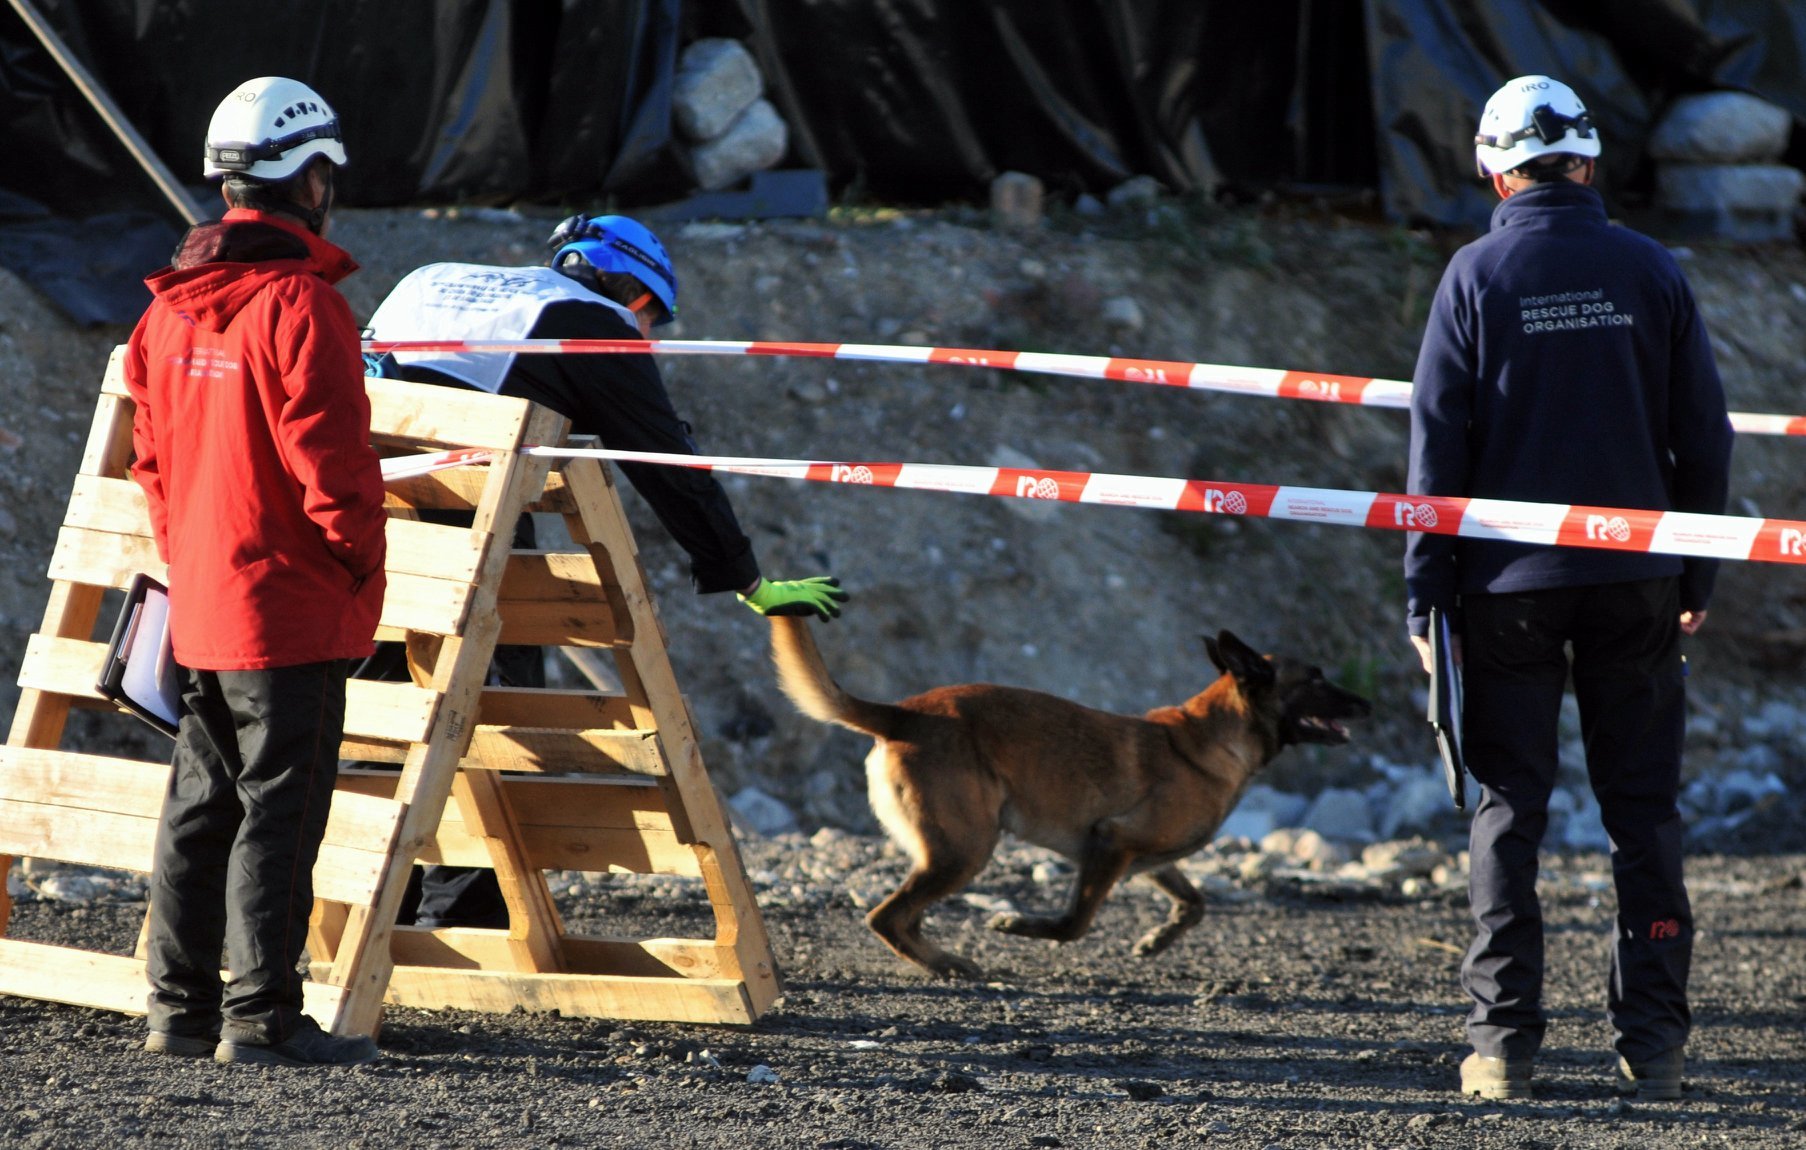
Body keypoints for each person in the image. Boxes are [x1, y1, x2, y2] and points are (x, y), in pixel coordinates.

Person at [363, 212, 847, 929]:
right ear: (634, 292)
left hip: (363, 516)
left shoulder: (432, 279)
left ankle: (363, 908)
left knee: (373, 713)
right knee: (497, 713)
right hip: (471, 524)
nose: (647, 336)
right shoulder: (595, 322)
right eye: (653, 317)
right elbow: (669, 465)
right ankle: (460, 920)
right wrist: (745, 577)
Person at [1404, 75, 1734, 1102]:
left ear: (1493, 170)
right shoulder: (1650, 267)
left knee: (1509, 811)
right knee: (1646, 812)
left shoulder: (1473, 274)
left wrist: (1425, 597)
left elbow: (1435, 448)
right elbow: (1706, 435)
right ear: (1588, 163)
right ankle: (1656, 1049)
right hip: (1638, 579)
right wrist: (1697, 569)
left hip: (1505, 587)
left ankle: (1502, 1047)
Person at [125, 76, 388, 1067]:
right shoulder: (302, 306)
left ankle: (178, 1013)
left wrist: (190, 556)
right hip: (289, 606)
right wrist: (357, 567)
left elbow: (152, 464)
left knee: (200, 803)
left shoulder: (165, 312)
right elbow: (336, 472)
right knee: (280, 810)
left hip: (203, 599)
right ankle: (263, 1019)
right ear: (311, 179)